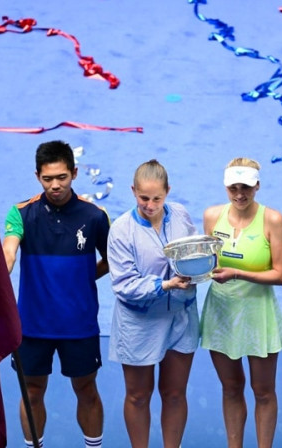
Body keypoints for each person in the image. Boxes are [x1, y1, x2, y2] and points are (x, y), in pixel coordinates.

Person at [2, 140, 109, 448]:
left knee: (86, 390)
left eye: (61, 177)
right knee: (32, 391)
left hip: (80, 324)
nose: (55, 185)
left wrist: (85, 276)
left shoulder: (95, 216)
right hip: (32, 326)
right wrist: (1, 270)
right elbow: (9, 250)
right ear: (38, 176)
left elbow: (114, 259)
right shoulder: (21, 213)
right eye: (48, 179)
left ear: (74, 173)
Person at [107, 159, 199, 448]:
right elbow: (124, 285)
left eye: (156, 198)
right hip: (140, 323)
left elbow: (193, 255)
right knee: (138, 395)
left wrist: (204, 270)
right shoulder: (121, 230)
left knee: (174, 394)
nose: (150, 204)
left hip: (181, 318)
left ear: (168, 191)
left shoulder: (181, 215)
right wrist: (166, 284)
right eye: (143, 198)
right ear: (133, 191)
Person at [200, 157, 282, 448]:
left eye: (246, 188)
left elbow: (281, 274)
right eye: (233, 188)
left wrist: (238, 272)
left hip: (257, 314)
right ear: (225, 186)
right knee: (231, 388)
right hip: (221, 312)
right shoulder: (212, 217)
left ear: (257, 186)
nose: (240, 194)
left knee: (263, 391)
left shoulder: (272, 219)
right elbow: (206, 263)